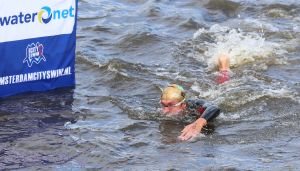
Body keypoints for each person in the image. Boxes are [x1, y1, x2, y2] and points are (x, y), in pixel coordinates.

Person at [159, 54, 230, 141]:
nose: (165, 111)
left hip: (211, 99)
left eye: (170, 105)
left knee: (222, 87)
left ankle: (224, 69)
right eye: (163, 105)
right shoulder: (167, 111)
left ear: (183, 105)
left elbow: (214, 108)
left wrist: (200, 122)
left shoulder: (195, 106)